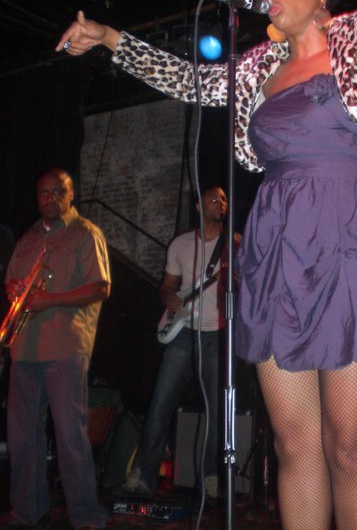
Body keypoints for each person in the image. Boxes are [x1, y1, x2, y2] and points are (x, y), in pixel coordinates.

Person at [56, 0, 357, 530]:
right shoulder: (254, 69)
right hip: (279, 244)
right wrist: (111, 41)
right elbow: (188, 79)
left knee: (348, 445)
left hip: (349, 236)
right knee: (294, 445)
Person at [4, 168, 110, 530]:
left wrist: (50, 300)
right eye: (43, 193)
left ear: (71, 194)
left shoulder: (86, 233)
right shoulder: (27, 238)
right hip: (25, 349)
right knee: (22, 436)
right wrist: (15, 289)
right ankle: (27, 512)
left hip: (65, 346)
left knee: (69, 435)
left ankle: (86, 516)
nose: (50, 198)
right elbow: (13, 282)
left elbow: (101, 287)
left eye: (57, 192)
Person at [121, 186, 240, 500]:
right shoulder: (181, 244)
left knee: (216, 410)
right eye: (213, 198)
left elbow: (246, 284)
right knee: (161, 404)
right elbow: (167, 286)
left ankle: (210, 479)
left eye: (224, 199)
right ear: (198, 207)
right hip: (183, 334)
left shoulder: (234, 244)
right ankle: (142, 475)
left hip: (218, 336)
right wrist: (169, 297)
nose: (220, 203)